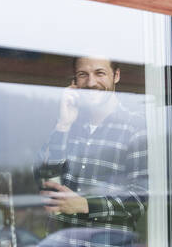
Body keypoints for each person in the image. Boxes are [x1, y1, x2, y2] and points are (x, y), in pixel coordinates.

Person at [36, 57, 148, 245]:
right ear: (74, 82)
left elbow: (139, 199)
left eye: (100, 73)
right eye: (83, 75)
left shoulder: (136, 127)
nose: (91, 83)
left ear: (116, 75)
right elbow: (46, 182)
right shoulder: (66, 123)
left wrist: (84, 205)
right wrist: (63, 124)